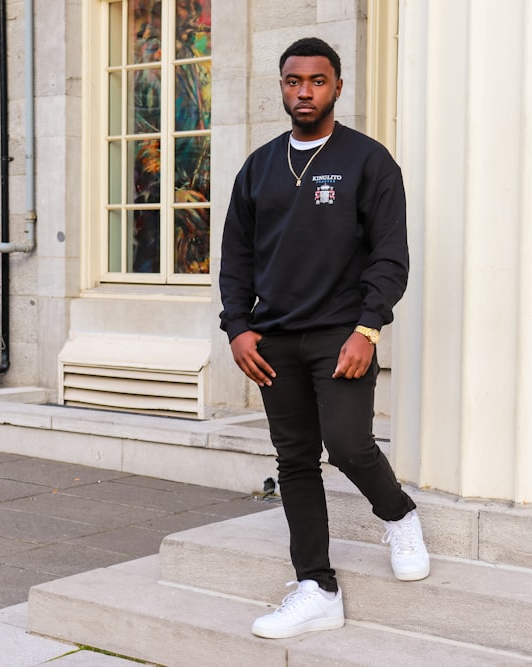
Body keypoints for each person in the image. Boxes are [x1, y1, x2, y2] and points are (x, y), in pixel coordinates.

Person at [219, 37, 430, 640]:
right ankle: (317, 586)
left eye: (316, 81)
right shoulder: (259, 166)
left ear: (337, 87)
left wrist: (368, 327)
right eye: (292, 81)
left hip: (342, 332)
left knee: (348, 443)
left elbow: (391, 256)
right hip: (275, 339)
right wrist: (238, 327)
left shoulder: (368, 161)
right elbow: (236, 256)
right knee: (294, 461)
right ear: (281, 87)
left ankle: (399, 516)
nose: (303, 91)